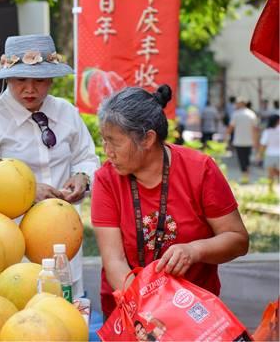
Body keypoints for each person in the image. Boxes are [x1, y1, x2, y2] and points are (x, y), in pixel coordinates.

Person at [0, 34, 100, 298]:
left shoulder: (66, 113)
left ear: (52, 79)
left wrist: (82, 177)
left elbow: (87, 157)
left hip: (63, 245)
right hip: (11, 252)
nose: (30, 89)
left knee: (67, 321)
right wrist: (24, 195)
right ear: (7, 78)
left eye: (39, 81)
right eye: (21, 80)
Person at [91, 85, 249, 319]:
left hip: (193, 314)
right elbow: (114, 260)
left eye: (114, 142)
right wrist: (145, 313)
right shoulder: (107, 179)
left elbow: (237, 240)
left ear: (147, 139)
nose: (107, 152)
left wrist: (194, 250)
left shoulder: (199, 169)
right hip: (131, 312)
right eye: (104, 141)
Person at [225, 96, 259, 184]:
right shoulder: (252, 114)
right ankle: (246, 175)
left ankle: (244, 175)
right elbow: (255, 129)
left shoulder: (236, 114)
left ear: (242, 104)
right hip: (249, 141)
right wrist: (256, 141)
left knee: (241, 159)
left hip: (238, 140)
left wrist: (226, 136)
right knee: (247, 158)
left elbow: (231, 127)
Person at [257, 114, 280, 193]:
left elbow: (263, 144)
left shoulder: (267, 131)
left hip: (270, 154)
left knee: (270, 174)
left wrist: (259, 155)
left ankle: (270, 190)